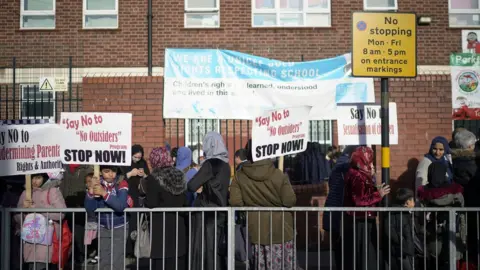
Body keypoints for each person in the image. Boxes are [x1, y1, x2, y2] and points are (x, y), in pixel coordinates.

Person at [230, 139, 298, 269]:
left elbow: (235, 202)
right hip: (281, 229)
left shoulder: (239, 176)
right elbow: (289, 200)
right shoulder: (278, 174)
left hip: (257, 230)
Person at [187, 131, 231, 270]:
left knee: (205, 251)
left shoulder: (210, 164)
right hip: (221, 212)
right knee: (217, 251)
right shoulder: (226, 165)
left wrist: (201, 187)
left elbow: (191, 185)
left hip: (206, 215)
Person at [343, 146, 390, 270]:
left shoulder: (359, 174)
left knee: (364, 252)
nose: (372, 165)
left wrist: (374, 189)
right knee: (365, 252)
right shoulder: (358, 176)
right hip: (360, 219)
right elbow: (359, 200)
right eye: (370, 162)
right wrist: (378, 195)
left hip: (361, 218)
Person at [141, 147, 188, 270]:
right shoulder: (179, 175)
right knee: (177, 259)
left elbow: (151, 202)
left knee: (161, 262)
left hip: (160, 225)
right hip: (179, 223)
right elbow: (185, 200)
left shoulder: (154, 178)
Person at [417, 162, 466, 270]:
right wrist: (464, 238)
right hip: (454, 234)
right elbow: (462, 215)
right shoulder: (456, 192)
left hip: (432, 235)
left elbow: (420, 216)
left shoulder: (424, 192)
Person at [15, 173, 67, 270]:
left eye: (38, 178)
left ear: (44, 178)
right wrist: (22, 209)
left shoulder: (52, 191)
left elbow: (61, 214)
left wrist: (38, 208)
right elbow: (18, 219)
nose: (34, 181)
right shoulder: (25, 193)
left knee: (42, 264)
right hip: (30, 241)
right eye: (32, 178)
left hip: (47, 240)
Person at [84, 165, 131, 270]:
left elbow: (120, 206)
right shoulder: (96, 183)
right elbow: (90, 208)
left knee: (117, 259)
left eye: (113, 170)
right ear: (100, 172)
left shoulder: (121, 182)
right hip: (103, 226)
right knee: (104, 258)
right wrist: (91, 192)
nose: (111, 174)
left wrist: (104, 193)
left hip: (120, 226)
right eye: (106, 171)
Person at [322, 145, 358, 270]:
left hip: (332, 210)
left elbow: (332, 185)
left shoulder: (336, 168)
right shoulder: (349, 169)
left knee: (338, 246)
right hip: (342, 213)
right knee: (347, 247)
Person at [121, 144, 150, 258]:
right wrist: (130, 174)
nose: (137, 160)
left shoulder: (143, 163)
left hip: (140, 197)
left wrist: (144, 175)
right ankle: (127, 249)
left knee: (137, 222)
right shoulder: (125, 163)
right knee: (129, 222)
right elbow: (120, 178)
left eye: (139, 157)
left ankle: (136, 248)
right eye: (135, 157)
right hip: (128, 195)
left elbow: (149, 178)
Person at [385, 188, 416, 270]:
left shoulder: (394, 211)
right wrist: (401, 241)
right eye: (413, 200)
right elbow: (390, 230)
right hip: (404, 249)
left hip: (400, 248)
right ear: (407, 202)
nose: (414, 203)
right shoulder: (402, 214)